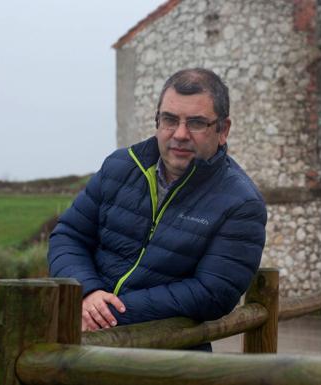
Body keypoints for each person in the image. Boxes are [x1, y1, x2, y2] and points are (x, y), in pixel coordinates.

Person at [48, 68, 267, 350]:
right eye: (170, 120)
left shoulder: (241, 202)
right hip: (85, 346)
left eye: (197, 123)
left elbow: (213, 292)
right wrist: (88, 292)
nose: (180, 134)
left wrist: (107, 314)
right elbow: (69, 235)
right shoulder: (120, 166)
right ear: (157, 120)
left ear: (223, 130)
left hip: (167, 363)